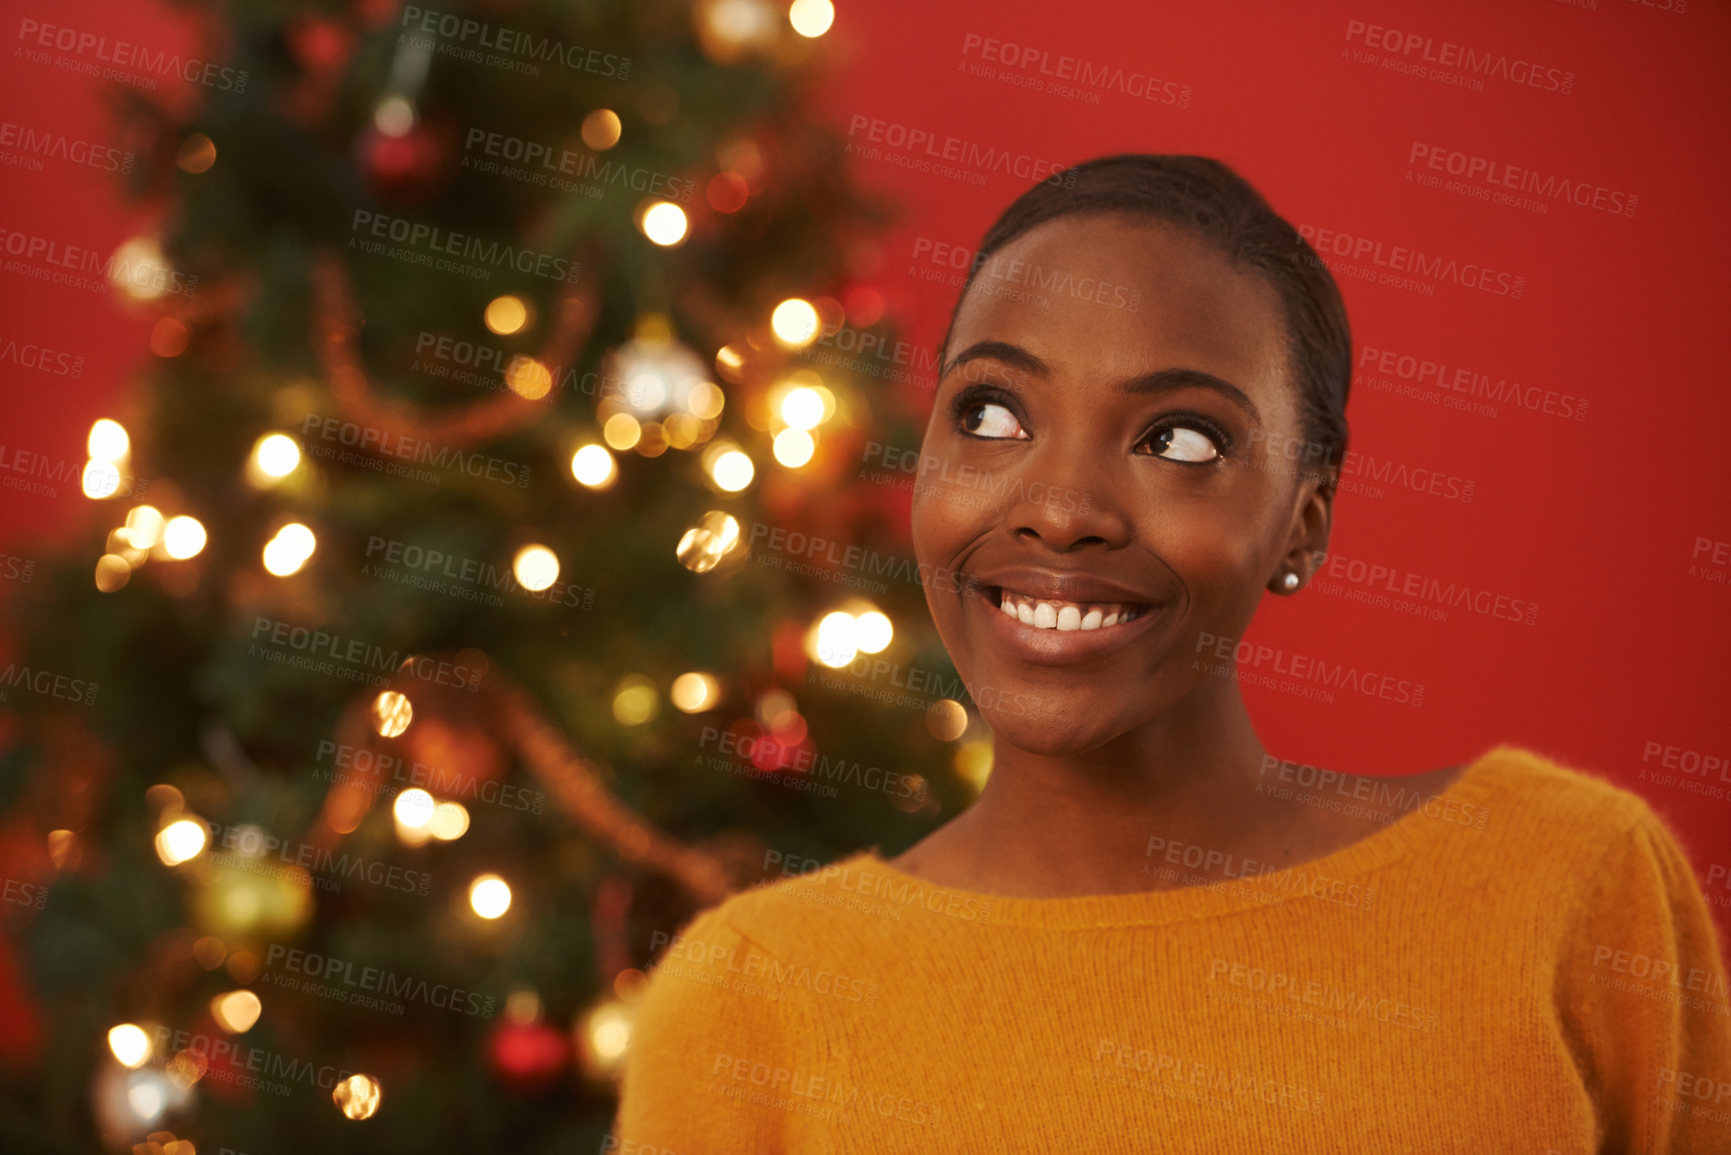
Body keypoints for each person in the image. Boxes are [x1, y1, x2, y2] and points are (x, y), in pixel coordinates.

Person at [613, 155, 1731, 1151]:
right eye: (993, 414)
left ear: (1305, 521)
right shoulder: (748, 1001)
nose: (1060, 510)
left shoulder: (1567, 883)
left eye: (1180, 439)